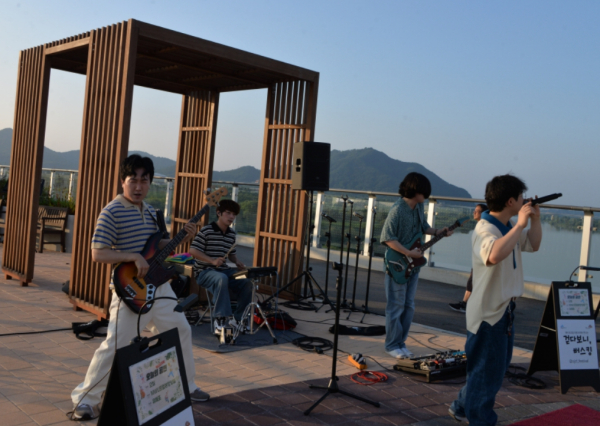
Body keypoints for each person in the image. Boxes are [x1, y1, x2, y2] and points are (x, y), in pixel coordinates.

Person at [70, 155, 209, 421]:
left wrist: (183, 236)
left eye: (144, 180)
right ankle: (85, 399)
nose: (138, 186)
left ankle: (187, 385)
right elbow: (98, 253)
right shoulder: (112, 211)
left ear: (150, 183)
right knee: (117, 344)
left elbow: (157, 247)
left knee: (180, 329)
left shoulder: (151, 211)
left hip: (160, 288)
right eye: (132, 180)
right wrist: (132, 256)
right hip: (131, 290)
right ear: (122, 181)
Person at [449, 175, 542, 425]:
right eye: (521, 197)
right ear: (511, 201)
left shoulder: (507, 225)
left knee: (491, 369)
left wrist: (534, 220)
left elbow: (533, 245)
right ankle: (480, 420)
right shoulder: (485, 229)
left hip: (504, 309)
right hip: (488, 313)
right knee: (487, 373)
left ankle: (461, 406)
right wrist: (519, 225)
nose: (524, 200)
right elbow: (493, 255)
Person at [381, 172, 453, 359]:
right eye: (424, 192)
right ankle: (391, 345)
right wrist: (408, 252)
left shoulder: (419, 206)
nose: (426, 196)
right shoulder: (397, 210)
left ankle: (400, 343)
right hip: (397, 264)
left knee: (408, 305)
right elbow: (388, 238)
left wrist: (439, 231)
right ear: (415, 190)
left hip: (414, 264)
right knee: (396, 305)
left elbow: (424, 228)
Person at [190, 199, 253, 334]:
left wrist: (237, 261)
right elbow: (193, 250)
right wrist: (212, 261)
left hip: (224, 272)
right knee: (221, 278)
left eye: (234, 214)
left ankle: (239, 319)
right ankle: (220, 319)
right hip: (204, 272)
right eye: (228, 213)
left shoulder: (231, 234)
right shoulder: (207, 230)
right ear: (219, 213)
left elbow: (231, 254)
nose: (231, 217)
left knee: (246, 281)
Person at [448, 203, 488, 313]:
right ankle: (466, 304)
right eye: (474, 210)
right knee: (473, 282)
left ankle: (466, 305)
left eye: (477, 211)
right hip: (479, 259)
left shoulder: (485, 227)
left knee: (473, 282)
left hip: (481, 260)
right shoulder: (481, 225)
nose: (474, 212)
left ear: (483, 213)